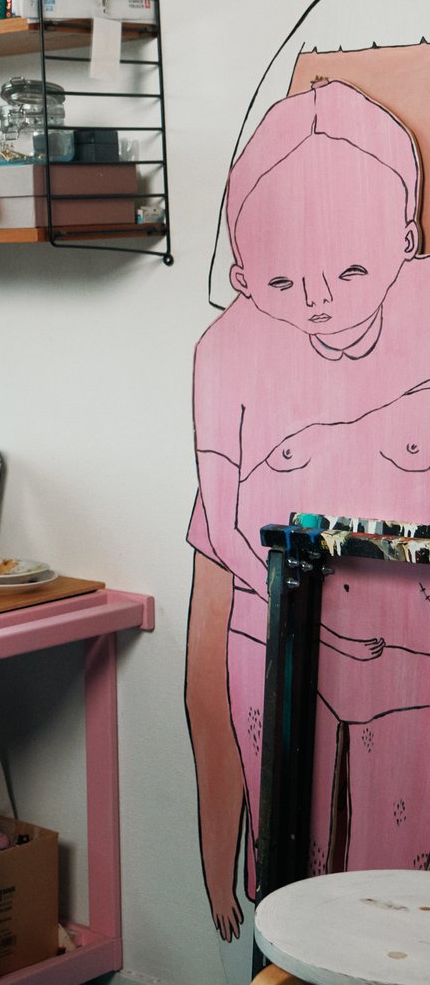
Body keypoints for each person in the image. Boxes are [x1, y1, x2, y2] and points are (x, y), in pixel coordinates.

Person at [186, 73, 430, 941]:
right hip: (283, 658)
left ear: (406, 238)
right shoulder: (228, 353)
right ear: (247, 275)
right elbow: (222, 532)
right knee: (297, 896)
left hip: (410, 676)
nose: (323, 300)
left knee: (400, 912)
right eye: (285, 281)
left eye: (354, 266)